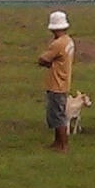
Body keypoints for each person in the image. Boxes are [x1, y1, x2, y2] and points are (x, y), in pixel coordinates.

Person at [37, 10, 75, 153]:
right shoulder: (69, 41)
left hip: (56, 83)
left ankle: (63, 145)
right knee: (56, 114)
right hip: (64, 81)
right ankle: (57, 142)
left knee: (58, 115)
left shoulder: (57, 44)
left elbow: (42, 59)